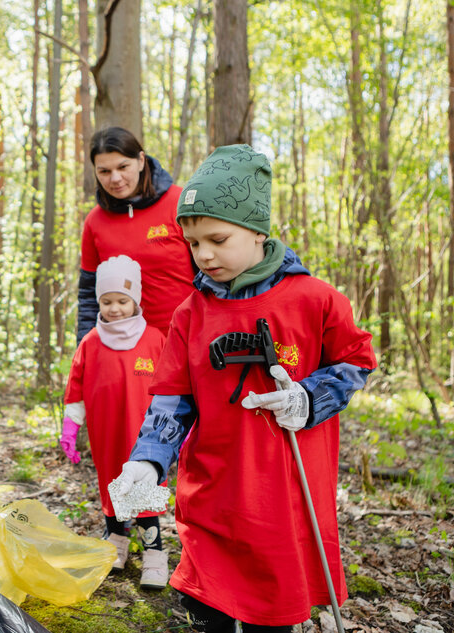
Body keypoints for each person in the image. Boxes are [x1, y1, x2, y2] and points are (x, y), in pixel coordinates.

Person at [111, 145, 377, 632]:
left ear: (257, 231)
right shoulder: (191, 313)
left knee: (268, 614)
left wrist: (310, 398)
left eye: (217, 238)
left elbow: (357, 360)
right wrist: (146, 459)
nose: (204, 254)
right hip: (213, 492)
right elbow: (173, 398)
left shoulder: (315, 300)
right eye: (192, 243)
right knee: (210, 608)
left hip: (283, 497)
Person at [60, 255, 170, 589]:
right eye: (107, 301)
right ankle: (115, 541)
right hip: (106, 433)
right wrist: (71, 426)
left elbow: (171, 388)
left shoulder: (153, 339)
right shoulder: (91, 343)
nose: (115, 308)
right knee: (112, 485)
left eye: (122, 301)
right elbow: (76, 387)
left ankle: (154, 553)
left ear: (136, 300)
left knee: (145, 489)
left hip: (145, 437)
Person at [77, 127, 195, 342]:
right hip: (126, 352)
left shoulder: (180, 204)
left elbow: (212, 277)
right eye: (104, 171)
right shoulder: (94, 222)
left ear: (141, 160)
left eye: (123, 167)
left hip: (186, 340)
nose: (115, 178)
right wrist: (85, 351)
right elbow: (88, 298)